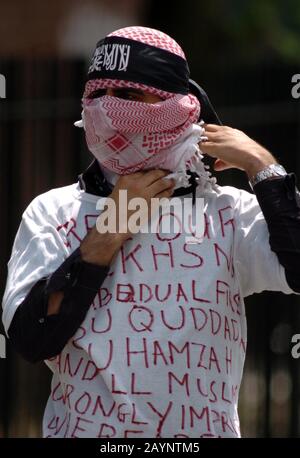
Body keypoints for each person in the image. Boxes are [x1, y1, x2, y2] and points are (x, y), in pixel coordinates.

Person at [2, 26, 300, 438]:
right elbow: (31, 340)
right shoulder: (53, 211)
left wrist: (261, 166)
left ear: (176, 106)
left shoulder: (226, 212)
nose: (107, 109)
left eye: (127, 95)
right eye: (97, 94)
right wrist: (107, 234)